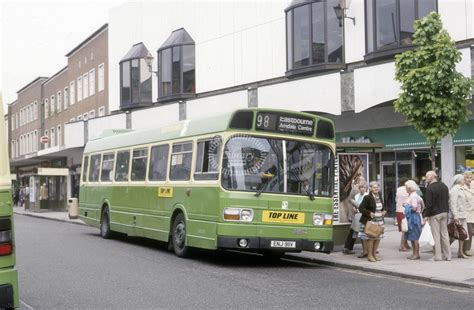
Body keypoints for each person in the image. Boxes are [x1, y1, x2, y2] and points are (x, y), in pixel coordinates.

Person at [423, 170, 451, 261]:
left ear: (432, 177)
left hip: (435, 214)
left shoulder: (430, 188)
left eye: (427, 176)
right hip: (444, 212)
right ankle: (448, 256)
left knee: (436, 236)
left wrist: (426, 215)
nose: (425, 178)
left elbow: (429, 204)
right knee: (445, 234)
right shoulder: (444, 186)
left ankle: (438, 256)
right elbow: (448, 199)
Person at [358, 181, 386, 262]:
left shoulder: (379, 195)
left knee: (377, 238)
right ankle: (370, 256)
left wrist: (384, 211)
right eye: (374, 187)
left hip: (380, 220)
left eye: (377, 187)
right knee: (371, 238)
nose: (376, 189)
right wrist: (369, 213)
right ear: (370, 188)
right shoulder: (367, 197)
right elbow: (361, 208)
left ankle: (374, 255)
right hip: (371, 221)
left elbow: (382, 207)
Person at [342, 180, 367, 255]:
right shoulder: (357, 195)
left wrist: (354, 204)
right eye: (361, 187)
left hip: (364, 216)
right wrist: (354, 208)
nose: (362, 189)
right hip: (357, 216)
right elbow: (354, 205)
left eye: (364, 187)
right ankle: (348, 248)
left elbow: (363, 206)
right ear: (359, 188)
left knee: (365, 233)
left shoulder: (367, 195)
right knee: (354, 231)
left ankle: (368, 249)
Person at [449, 174, 470, 258]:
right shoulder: (454, 189)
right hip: (457, 216)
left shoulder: (461, 189)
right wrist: (455, 215)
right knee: (453, 234)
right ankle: (444, 249)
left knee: (463, 234)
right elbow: (452, 203)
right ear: (459, 180)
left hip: (463, 215)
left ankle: (460, 252)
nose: (464, 180)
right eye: (463, 179)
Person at [404, 180, 424, 260]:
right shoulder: (414, 195)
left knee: (415, 236)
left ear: (409, 188)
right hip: (414, 216)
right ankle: (414, 253)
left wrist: (406, 207)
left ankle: (416, 254)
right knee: (413, 236)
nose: (405, 189)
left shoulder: (413, 196)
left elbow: (415, 208)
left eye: (406, 187)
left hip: (414, 217)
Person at [395, 177, 410, 251]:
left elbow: (396, 199)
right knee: (405, 229)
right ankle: (402, 245)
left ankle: (406, 243)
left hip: (398, 210)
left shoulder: (398, 189)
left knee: (404, 228)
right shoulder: (407, 189)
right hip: (405, 210)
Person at [462, 171, 473, 256]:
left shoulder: (472, 186)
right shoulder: (462, 188)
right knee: (468, 231)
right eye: (467, 178)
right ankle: (466, 249)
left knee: (470, 231)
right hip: (466, 212)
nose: (469, 179)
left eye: (471, 177)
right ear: (464, 178)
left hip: (472, 212)